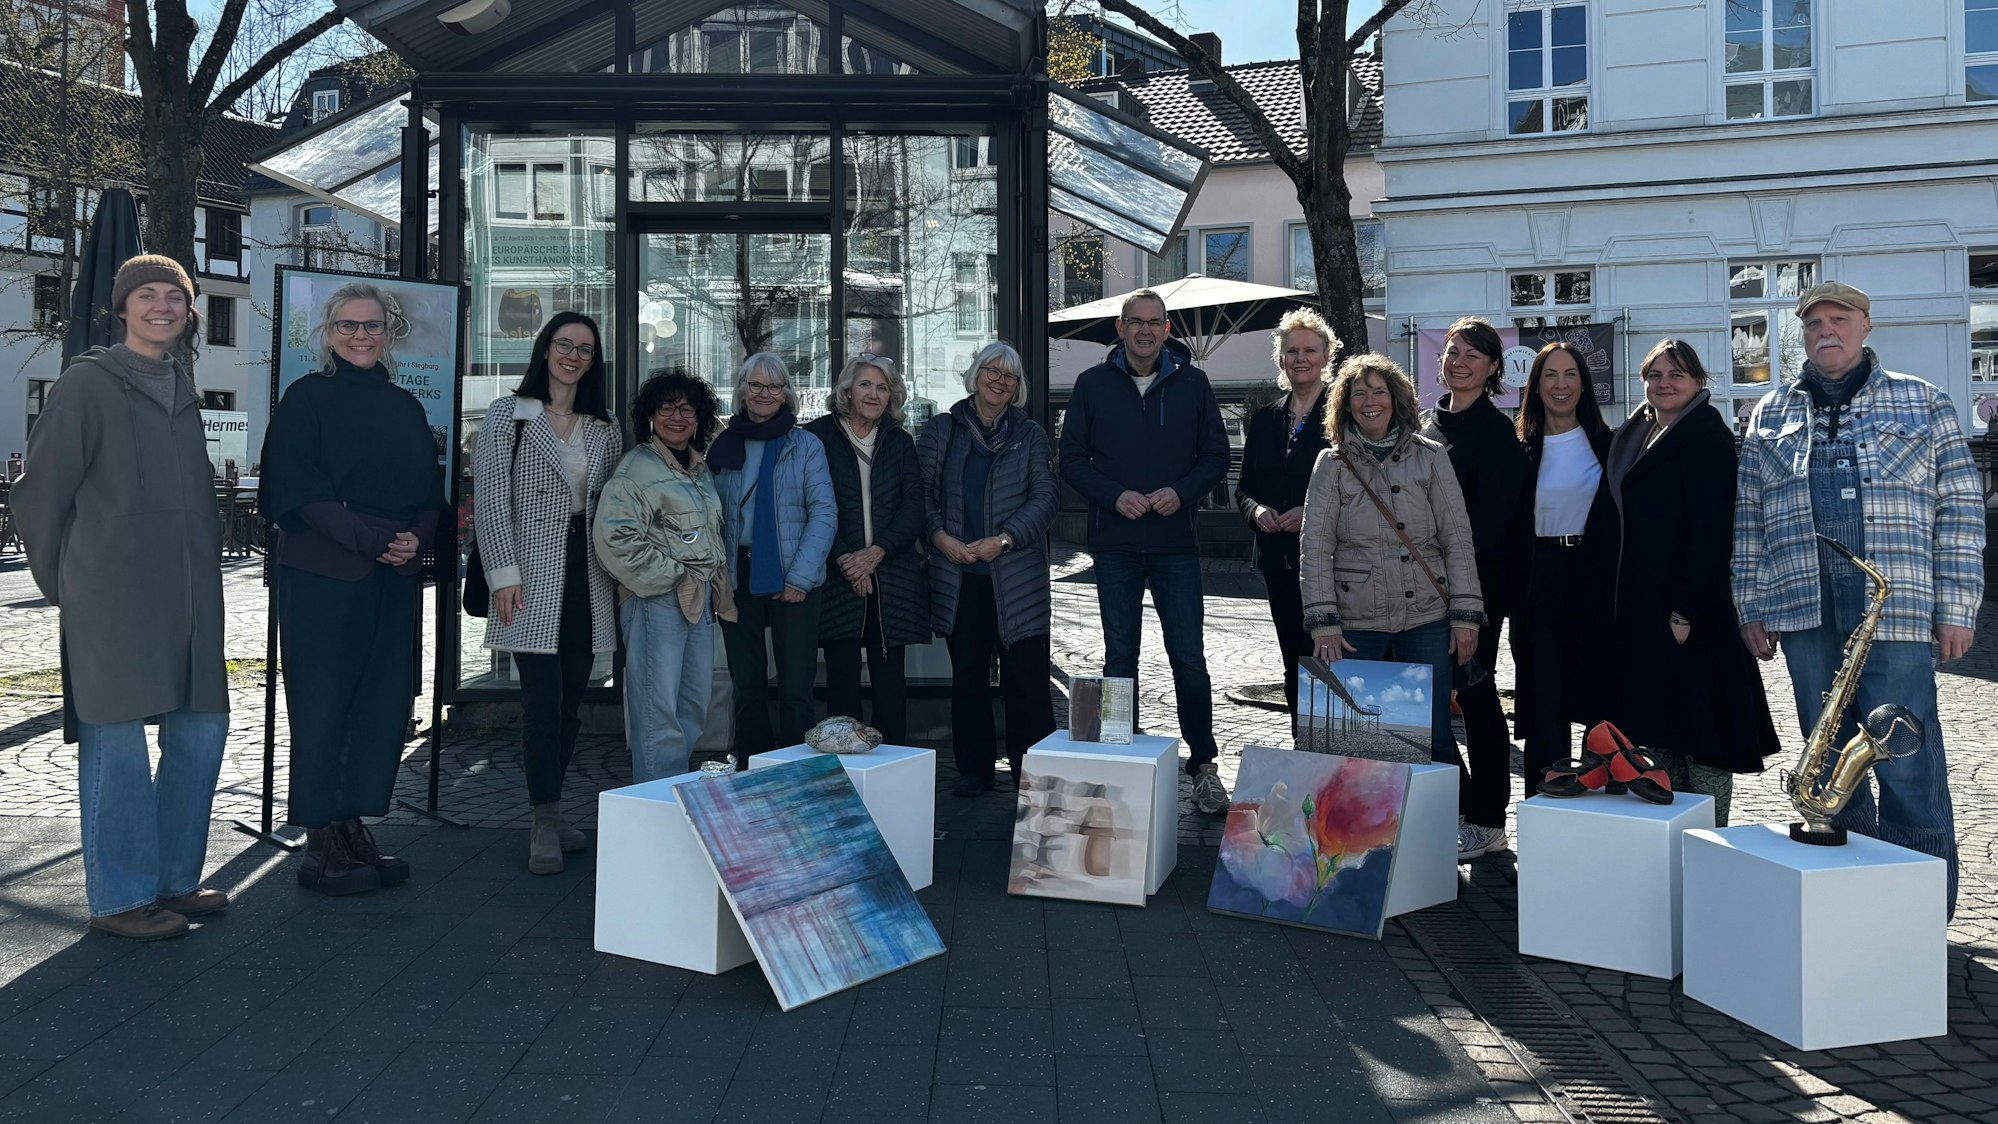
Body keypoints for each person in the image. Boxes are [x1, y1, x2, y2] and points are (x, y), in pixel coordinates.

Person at [1735, 283, 1983, 914]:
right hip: (1806, 606)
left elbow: (1959, 513)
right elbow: (1749, 520)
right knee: (1829, 768)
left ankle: (1921, 912)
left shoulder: (1923, 401)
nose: (1826, 330)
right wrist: (1751, 604)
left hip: (1894, 612)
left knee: (1906, 762)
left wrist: (1956, 610)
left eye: (1838, 319)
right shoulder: (1770, 412)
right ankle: (1858, 908)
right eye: (1814, 321)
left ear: (1865, 326)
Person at [14, 254, 230, 940]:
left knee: (200, 732)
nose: (161, 305)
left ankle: (172, 880)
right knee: (118, 747)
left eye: (175, 296)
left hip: (192, 598)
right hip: (112, 598)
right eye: (147, 295)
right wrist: (69, 584)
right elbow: (38, 496)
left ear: (189, 312)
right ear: (123, 307)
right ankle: (121, 898)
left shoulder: (183, 383)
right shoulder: (86, 385)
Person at [261, 281, 442, 895]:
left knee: (379, 705)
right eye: (347, 326)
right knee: (323, 703)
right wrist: (371, 539)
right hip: (323, 573)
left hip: (391, 575)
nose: (360, 336)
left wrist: (417, 538)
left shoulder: (406, 406)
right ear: (328, 334)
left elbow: (430, 492)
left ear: (388, 334)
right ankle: (320, 838)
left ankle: (351, 823)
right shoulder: (306, 397)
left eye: (371, 326)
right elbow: (294, 488)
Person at [1057, 289, 1231, 812]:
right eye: (1136, 322)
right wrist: (1114, 495)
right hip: (1114, 545)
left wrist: (1181, 491)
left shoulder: (1194, 384)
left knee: (1189, 659)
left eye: (1155, 323)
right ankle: (1120, 761)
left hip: (1176, 544)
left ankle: (1203, 767)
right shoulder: (1090, 385)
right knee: (1119, 657)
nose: (1145, 331)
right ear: (1120, 327)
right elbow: (1070, 461)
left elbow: (1216, 457)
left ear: (1167, 330)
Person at [1602, 340, 1780, 825]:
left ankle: (1709, 837)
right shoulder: (1640, 432)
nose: (1665, 382)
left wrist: (1684, 610)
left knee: (1705, 737)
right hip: (1646, 610)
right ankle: (1672, 835)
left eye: (1677, 374)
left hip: (1692, 617)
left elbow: (1711, 535)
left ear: (1699, 382)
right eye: (1655, 374)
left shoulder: (1706, 440)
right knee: (1662, 732)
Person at [473, 312, 621, 875]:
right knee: (540, 703)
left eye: (585, 349)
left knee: (569, 701)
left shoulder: (604, 425)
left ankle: (555, 813)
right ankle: (543, 820)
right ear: (544, 349)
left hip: (589, 576)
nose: (574, 356)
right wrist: (503, 575)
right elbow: (490, 502)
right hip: (528, 577)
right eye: (565, 344)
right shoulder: (508, 417)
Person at [1300, 354, 1483, 769]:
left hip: (1426, 618)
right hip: (1354, 623)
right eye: (1359, 393)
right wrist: (1323, 622)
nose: (1370, 401)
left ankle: (1434, 829)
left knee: (1434, 736)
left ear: (1395, 398)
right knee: (1354, 740)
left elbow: (1457, 538)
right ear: (1345, 404)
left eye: (1378, 391)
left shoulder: (1431, 456)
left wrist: (1466, 616)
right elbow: (1315, 547)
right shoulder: (1330, 464)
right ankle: (1362, 830)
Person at [919, 342, 1058, 795]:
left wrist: (1003, 540)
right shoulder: (943, 430)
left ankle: (1030, 775)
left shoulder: (1031, 434)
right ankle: (975, 772)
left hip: (1017, 578)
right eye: (992, 371)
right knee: (970, 681)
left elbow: (1045, 499)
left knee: (1028, 684)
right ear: (975, 375)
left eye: (1010, 376)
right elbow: (919, 496)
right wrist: (941, 539)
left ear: (1018, 387)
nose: (1000, 381)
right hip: (960, 578)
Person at [1419, 317, 1525, 862]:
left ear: (1491, 369)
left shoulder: (1497, 433)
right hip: (1416, 587)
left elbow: (1491, 523)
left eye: (1472, 356)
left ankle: (1487, 819)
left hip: (1475, 591)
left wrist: (1458, 589)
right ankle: (1458, 802)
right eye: (1453, 352)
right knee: (1430, 700)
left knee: (1476, 695)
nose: (1458, 362)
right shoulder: (1423, 425)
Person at [595, 371, 734, 783]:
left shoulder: (697, 469)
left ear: (700, 417)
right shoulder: (636, 469)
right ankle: (655, 804)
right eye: (667, 408)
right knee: (658, 713)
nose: (677, 417)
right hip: (656, 602)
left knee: (691, 706)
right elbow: (614, 539)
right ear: (651, 415)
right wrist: (675, 578)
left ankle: (672, 792)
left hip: (696, 602)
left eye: (687, 409)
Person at [711, 352, 836, 760]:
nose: (765, 393)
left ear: (787, 393)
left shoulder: (806, 446)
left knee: (796, 691)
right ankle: (750, 771)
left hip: (792, 575)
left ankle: (795, 775)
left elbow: (824, 513)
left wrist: (800, 578)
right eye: (756, 385)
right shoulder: (722, 445)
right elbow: (712, 514)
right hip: (738, 577)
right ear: (742, 391)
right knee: (747, 689)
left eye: (774, 385)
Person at [1509, 343, 1618, 806]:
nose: (1560, 384)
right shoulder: (1521, 449)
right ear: (1535, 386)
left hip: (1595, 578)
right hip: (1540, 580)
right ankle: (1546, 801)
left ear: (1583, 384)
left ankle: (1602, 804)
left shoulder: (1609, 445)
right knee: (1545, 701)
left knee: (1601, 696)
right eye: (1550, 375)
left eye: (1570, 374)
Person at [804, 355, 931, 744]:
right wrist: (848, 560)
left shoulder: (899, 439)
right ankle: (842, 762)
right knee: (841, 676)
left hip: (891, 573)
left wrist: (876, 554)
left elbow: (914, 505)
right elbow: (813, 504)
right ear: (847, 390)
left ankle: (892, 763)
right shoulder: (818, 437)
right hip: (838, 573)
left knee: (890, 678)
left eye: (882, 387)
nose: (874, 394)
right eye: (865, 385)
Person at [1236, 309, 1335, 730]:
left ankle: (1341, 759)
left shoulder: (1344, 413)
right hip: (1278, 562)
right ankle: (1304, 750)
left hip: (1334, 565)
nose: (1300, 358)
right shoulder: (1264, 419)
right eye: (1291, 350)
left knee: (1333, 663)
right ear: (1280, 359)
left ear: (1326, 356)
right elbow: (1243, 489)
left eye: (1310, 350)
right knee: (1295, 659)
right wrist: (1256, 511)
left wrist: (1311, 515)